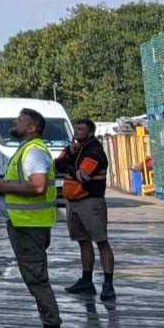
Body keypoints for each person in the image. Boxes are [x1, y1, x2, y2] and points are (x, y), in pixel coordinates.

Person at [0, 107, 65, 328]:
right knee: (35, 279)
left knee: (37, 280)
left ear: (32, 128)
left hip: (29, 226)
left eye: (20, 120)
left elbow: (38, 186)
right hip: (27, 224)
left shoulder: (33, 151)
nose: (14, 122)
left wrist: (4, 187)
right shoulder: (27, 149)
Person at [56, 117, 114, 300]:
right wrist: (68, 157)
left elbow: (83, 176)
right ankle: (86, 280)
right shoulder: (74, 149)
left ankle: (108, 284)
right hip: (73, 202)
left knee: (101, 242)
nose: (76, 132)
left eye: (81, 129)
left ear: (90, 132)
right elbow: (56, 165)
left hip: (91, 202)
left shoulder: (94, 151)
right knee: (83, 241)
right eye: (76, 129)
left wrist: (68, 166)